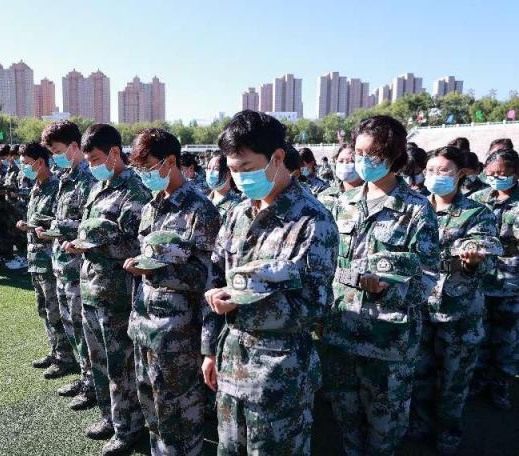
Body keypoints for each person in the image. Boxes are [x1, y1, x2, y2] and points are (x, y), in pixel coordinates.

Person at [203, 110, 338, 455]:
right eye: (232, 170)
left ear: (277, 157)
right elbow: (215, 274)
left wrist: (242, 302)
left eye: (246, 168)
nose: (239, 178)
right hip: (231, 364)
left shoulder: (312, 221)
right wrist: (209, 350)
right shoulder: (238, 213)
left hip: (279, 377)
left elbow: (314, 307)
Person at [321, 115, 440, 456]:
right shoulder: (342, 203)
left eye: (371, 154)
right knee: (346, 415)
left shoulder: (416, 209)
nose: (362, 160)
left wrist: (389, 289)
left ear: (393, 155)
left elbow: (429, 275)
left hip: (388, 340)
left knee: (385, 424)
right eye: (358, 152)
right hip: (341, 330)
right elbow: (326, 262)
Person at [124, 128, 220, 455]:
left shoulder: (200, 210)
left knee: (179, 418)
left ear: (169, 162)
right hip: (144, 327)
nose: (144, 175)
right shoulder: (151, 207)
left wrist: (156, 270)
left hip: (178, 336)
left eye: (148, 167)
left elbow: (206, 276)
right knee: (152, 411)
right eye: (139, 169)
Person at [63, 124, 150, 455]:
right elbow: (88, 229)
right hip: (91, 287)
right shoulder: (99, 187)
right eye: (88, 160)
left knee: (120, 366)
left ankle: (129, 427)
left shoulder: (135, 190)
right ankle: (109, 417)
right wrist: (83, 242)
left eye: (96, 159)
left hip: (117, 294)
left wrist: (93, 246)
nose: (92, 166)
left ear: (115, 153)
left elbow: (137, 245)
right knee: (97, 359)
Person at [409, 146, 500, 454]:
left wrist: (472, 263)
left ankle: (448, 431)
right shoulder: (416, 207)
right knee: (420, 371)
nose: (436, 175)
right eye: (431, 170)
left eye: (444, 170)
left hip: (459, 310)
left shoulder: (478, 213)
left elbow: (489, 262)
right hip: (420, 305)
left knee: (454, 378)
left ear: (460, 174)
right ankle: (421, 422)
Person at [36, 121, 98, 409]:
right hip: (61, 265)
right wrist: (52, 227)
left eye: (57, 150)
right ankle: (85, 376)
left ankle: (93, 384)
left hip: (79, 268)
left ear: (74, 147)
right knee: (71, 326)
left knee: (85, 331)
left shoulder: (89, 179)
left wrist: (59, 228)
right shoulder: (66, 178)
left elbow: (90, 226)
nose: (55, 157)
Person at [14, 142, 76, 379]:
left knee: (55, 311)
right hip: (35, 257)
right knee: (43, 308)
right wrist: (28, 226)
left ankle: (65, 358)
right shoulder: (36, 187)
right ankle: (54, 350)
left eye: (26, 163)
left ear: (40, 162)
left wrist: (38, 227)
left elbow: (60, 222)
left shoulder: (56, 187)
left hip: (51, 258)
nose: (23, 168)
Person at [470, 148, 519, 410]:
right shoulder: (478, 198)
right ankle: (478, 380)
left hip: (511, 284)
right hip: (480, 281)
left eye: (502, 174)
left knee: (506, 339)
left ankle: (500, 385)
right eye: (491, 174)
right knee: (479, 335)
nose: (496, 178)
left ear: (515, 173)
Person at [4, 144, 30, 270]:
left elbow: (32, 190)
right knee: (19, 235)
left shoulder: (30, 171)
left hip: (27, 208)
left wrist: (17, 193)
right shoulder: (21, 171)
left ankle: (25, 259)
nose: (15, 160)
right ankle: (22, 256)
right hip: (19, 207)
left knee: (26, 236)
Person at [317, 144, 364, 212]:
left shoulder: (370, 194)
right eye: (341, 161)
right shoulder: (324, 196)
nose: (345, 165)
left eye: (351, 161)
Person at [205, 151, 241, 225]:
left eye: (216, 169)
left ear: (228, 173)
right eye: (208, 168)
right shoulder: (205, 199)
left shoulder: (236, 205)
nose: (210, 172)